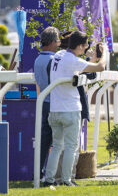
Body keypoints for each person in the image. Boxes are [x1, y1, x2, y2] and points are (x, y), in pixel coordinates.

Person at [43, 32, 107, 187]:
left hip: (55, 109)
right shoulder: (72, 60)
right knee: (71, 147)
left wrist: (90, 59)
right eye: (85, 46)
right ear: (79, 46)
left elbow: (78, 69)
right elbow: (100, 67)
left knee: (57, 146)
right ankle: (66, 180)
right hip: (70, 110)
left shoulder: (59, 55)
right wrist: (104, 53)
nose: (85, 49)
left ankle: (49, 179)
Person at [34, 27, 60, 177]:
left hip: (43, 101)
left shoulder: (38, 59)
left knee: (44, 141)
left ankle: (39, 171)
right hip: (53, 103)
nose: (58, 44)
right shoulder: (52, 60)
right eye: (57, 41)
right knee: (56, 141)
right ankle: (50, 174)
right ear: (51, 42)